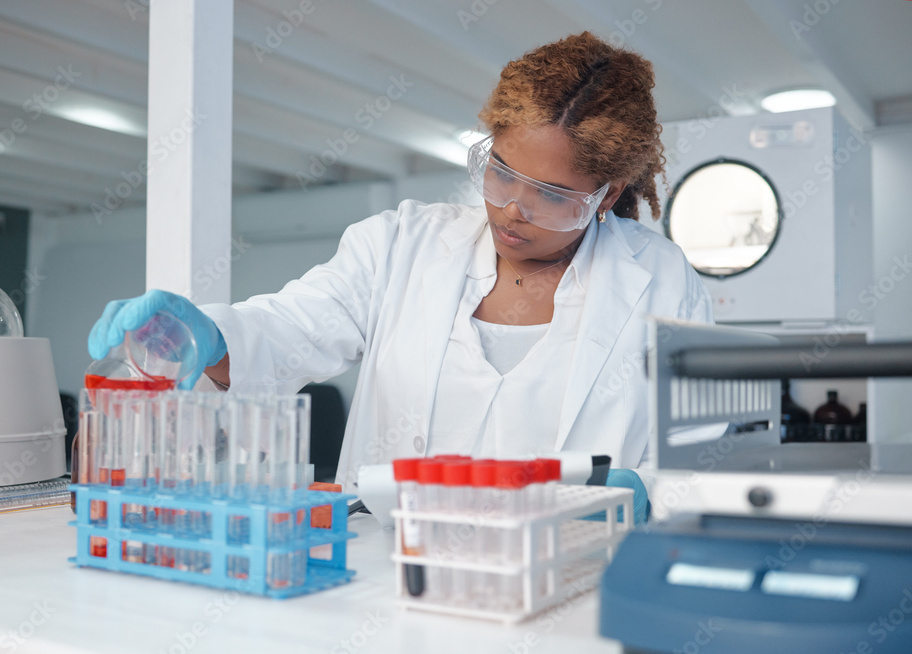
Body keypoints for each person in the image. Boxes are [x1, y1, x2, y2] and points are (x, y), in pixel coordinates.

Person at [88, 32, 712, 524]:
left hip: (566, 577)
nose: (511, 208)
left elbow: (704, 460)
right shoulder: (402, 244)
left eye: (551, 194)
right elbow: (291, 327)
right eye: (499, 173)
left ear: (608, 195)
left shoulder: (661, 283)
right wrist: (213, 337)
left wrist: (650, 493)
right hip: (388, 579)